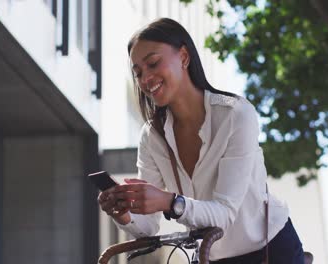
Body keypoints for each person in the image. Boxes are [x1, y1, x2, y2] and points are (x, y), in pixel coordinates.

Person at [98, 17, 304, 263]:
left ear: (184, 57)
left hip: (270, 251)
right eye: (138, 73)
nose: (145, 79)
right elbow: (147, 228)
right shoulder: (152, 136)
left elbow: (224, 214)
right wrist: (124, 214)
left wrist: (169, 202)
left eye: (153, 63)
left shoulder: (235, 114)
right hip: (211, 256)